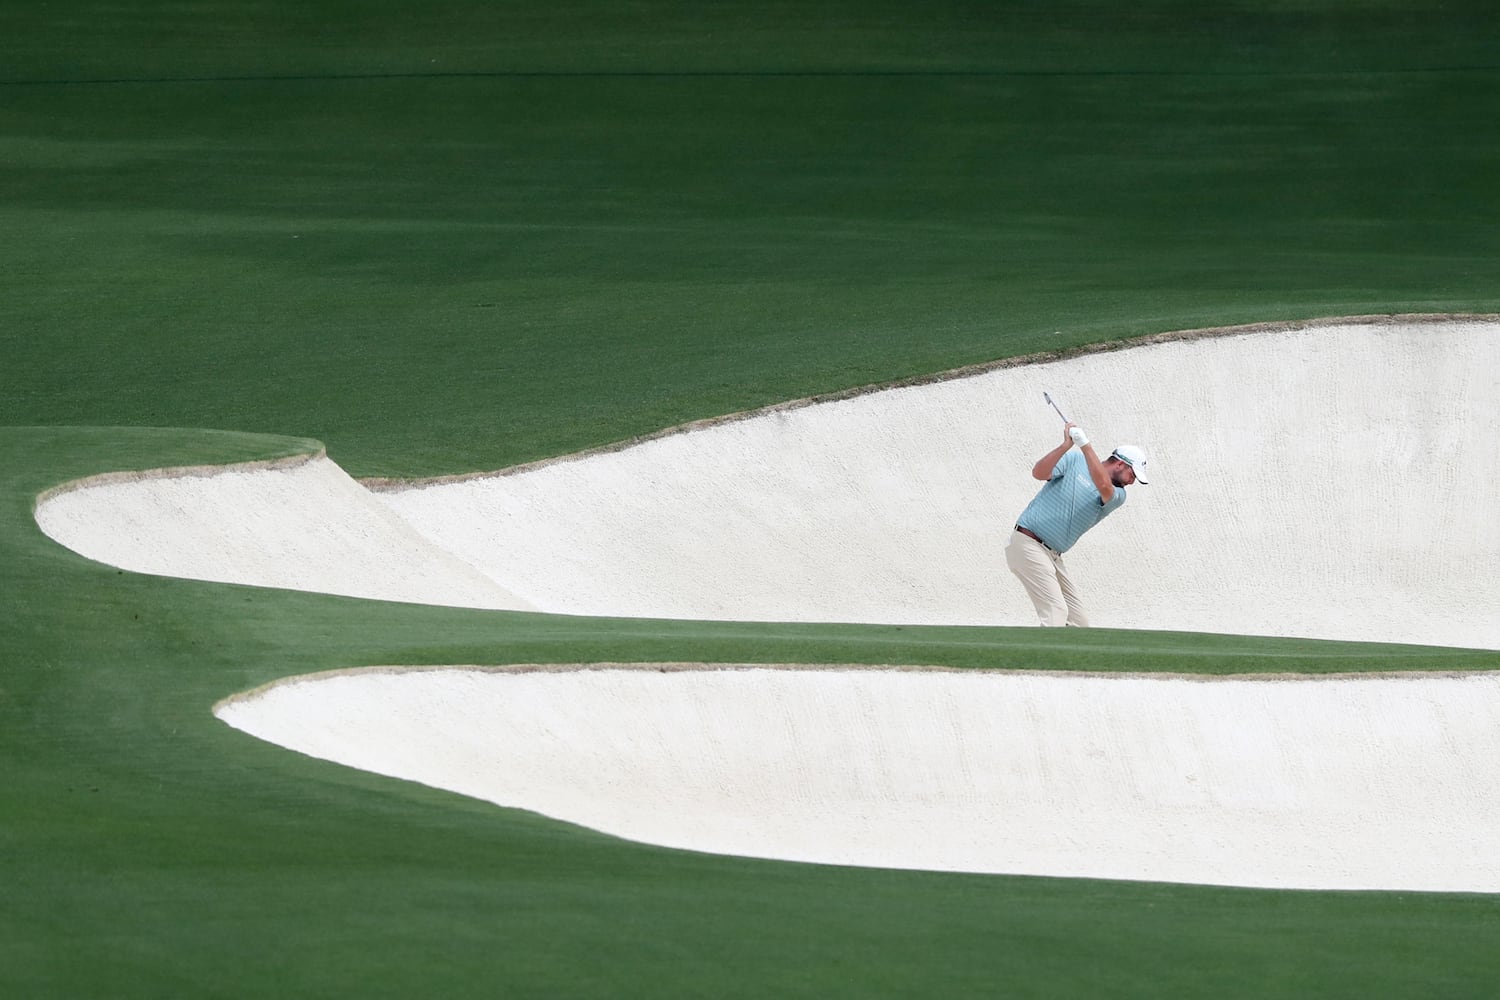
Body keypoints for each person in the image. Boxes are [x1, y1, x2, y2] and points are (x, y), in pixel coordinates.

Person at [1006, 422, 1149, 627]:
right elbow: (1038, 473)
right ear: (1120, 465)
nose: (1132, 481)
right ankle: (1041, 658)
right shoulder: (1074, 460)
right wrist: (1066, 446)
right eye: (1132, 474)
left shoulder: (1118, 495)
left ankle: (1059, 657)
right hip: (1027, 542)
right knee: (1055, 612)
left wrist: (1085, 445)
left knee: (1079, 623)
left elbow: (1103, 486)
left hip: (1053, 555)